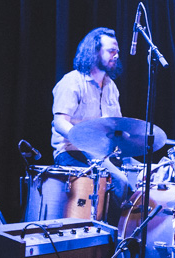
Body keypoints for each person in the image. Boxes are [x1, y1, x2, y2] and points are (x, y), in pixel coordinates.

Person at [50, 27, 131, 222]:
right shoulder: (72, 82)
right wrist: (84, 141)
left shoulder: (111, 87)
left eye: (117, 51)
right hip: (71, 152)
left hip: (102, 154)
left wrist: (134, 137)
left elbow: (116, 126)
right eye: (111, 51)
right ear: (95, 52)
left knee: (145, 172)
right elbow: (59, 122)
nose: (116, 55)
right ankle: (113, 236)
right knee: (120, 181)